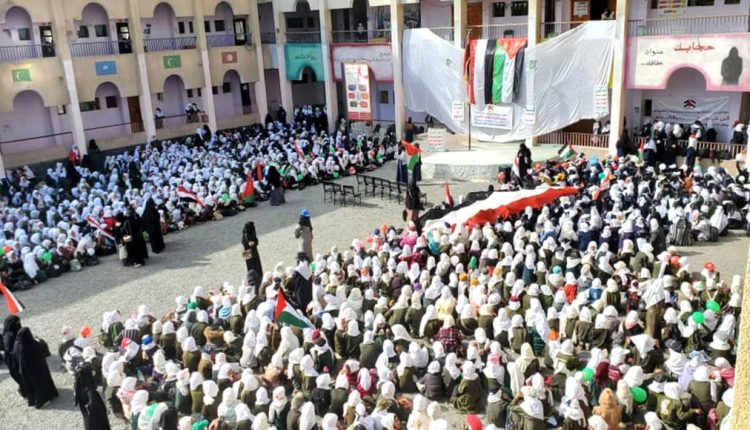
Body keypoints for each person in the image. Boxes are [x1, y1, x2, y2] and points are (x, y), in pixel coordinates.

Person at [14, 326, 58, 408]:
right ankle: (41, 401)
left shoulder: (17, 345)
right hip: (37, 369)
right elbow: (43, 351)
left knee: (30, 385)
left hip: (24, 371)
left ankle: (33, 400)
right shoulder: (33, 345)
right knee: (40, 384)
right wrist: (40, 340)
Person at [74, 363, 111, 430]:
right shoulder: (90, 390)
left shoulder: (79, 384)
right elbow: (94, 405)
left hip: (87, 415)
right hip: (95, 418)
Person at [4, 315, 24, 398]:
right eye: (17, 323)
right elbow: (10, 350)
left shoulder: (14, 332)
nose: (19, 325)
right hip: (13, 361)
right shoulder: (9, 336)